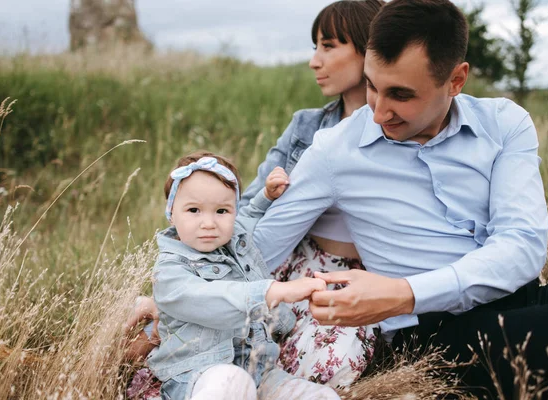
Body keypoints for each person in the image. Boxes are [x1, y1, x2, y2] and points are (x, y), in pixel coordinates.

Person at [251, 0, 548, 396]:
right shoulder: (333, 149)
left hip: (518, 299)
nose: (378, 113)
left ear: (456, 80)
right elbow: (257, 251)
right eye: (372, 86)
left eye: (400, 94)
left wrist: (402, 292)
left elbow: (523, 246)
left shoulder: (505, 123)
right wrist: (177, 292)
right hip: (432, 335)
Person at [125, 0, 385, 389]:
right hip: (284, 259)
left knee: (325, 367)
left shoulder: (398, 129)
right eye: (315, 46)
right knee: (223, 339)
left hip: (351, 274)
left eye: (328, 46)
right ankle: (167, 321)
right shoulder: (305, 126)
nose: (315, 61)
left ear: (370, 50)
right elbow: (244, 206)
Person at [147, 151, 340, 400]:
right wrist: (271, 291)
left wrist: (267, 196)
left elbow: (248, 216)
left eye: (221, 211)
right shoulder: (169, 271)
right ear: (171, 213)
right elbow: (210, 299)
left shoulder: (234, 235)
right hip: (199, 372)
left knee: (321, 397)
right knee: (230, 384)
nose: (209, 223)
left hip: (260, 371)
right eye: (194, 210)